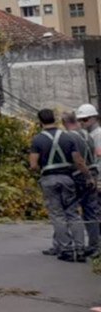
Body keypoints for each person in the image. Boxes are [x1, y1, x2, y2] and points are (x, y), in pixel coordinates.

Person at [30, 109, 93, 262]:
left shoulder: (38, 140)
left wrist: (43, 169)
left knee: (57, 215)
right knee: (73, 213)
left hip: (49, 180)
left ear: (40, 122)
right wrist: (88, 177)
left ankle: (65, 249)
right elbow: (78, 161)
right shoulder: (67, 137)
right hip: (67, 179)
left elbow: (33, 165)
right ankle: (79, 248)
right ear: (55, 119)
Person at [71, 105, 101, 257]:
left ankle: (96, 246)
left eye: (85, 119)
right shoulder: (88, 135)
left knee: (94, 213)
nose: (82, 122)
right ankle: (95, 244)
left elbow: (99, 160)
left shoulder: (98, 135)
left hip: (97, 177)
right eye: (80, 120)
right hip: (94, 177)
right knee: (92, 212)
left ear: (94, 118)